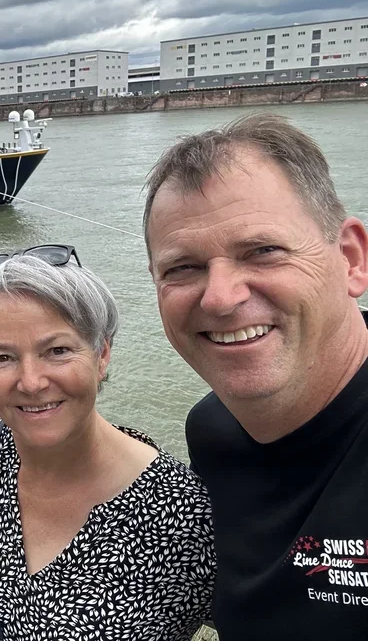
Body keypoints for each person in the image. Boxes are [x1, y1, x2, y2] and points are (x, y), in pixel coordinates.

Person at [144, 113, 368, 640]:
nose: (221, 297)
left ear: (352, 259)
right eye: (182, 268)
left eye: (263, 251)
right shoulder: (214, 429)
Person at [0, 246, 215, 640]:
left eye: (58, 351)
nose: (31, 382)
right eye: (1, 358)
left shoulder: (183, 515)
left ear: (101, 355)